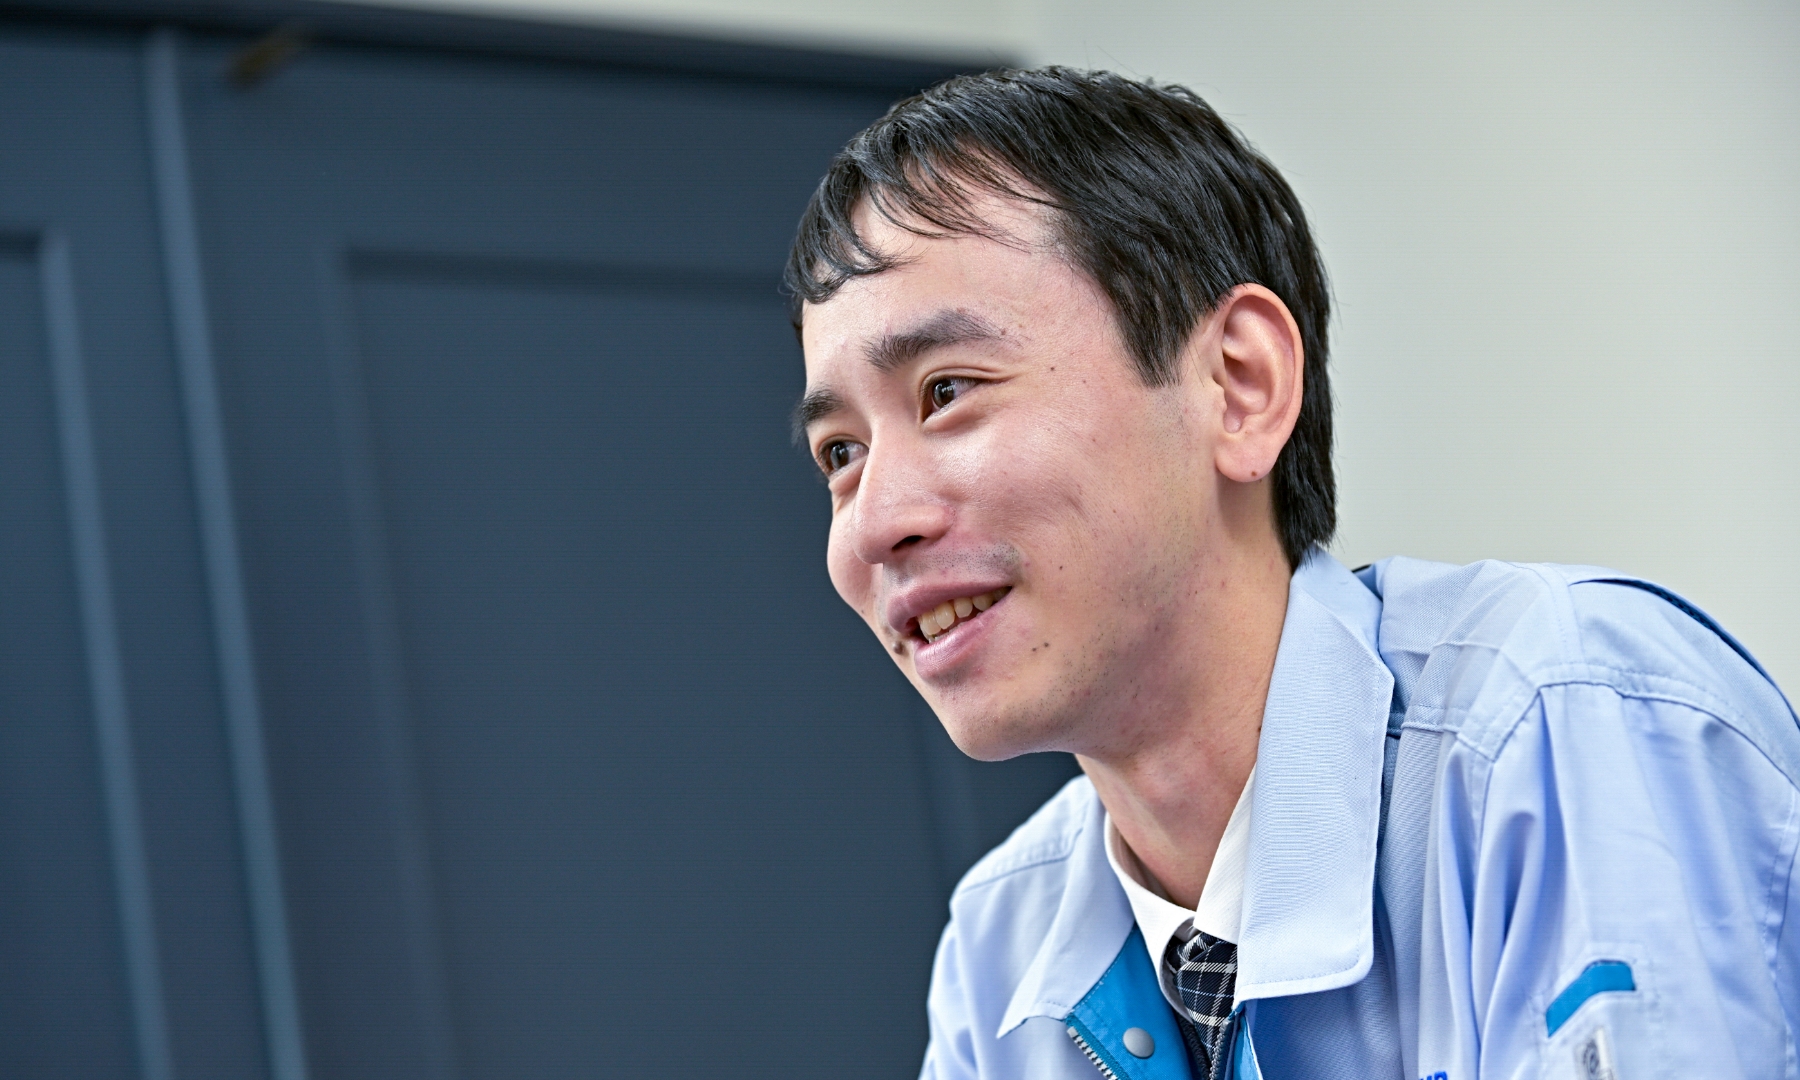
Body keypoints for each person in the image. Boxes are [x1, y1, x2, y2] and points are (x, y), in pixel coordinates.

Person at [783, 67, 1800, 1080]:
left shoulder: (1558, 731)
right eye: (841, 453)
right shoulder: (995, 954)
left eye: (948, 390)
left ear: (1239, 385)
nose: (874, 525)